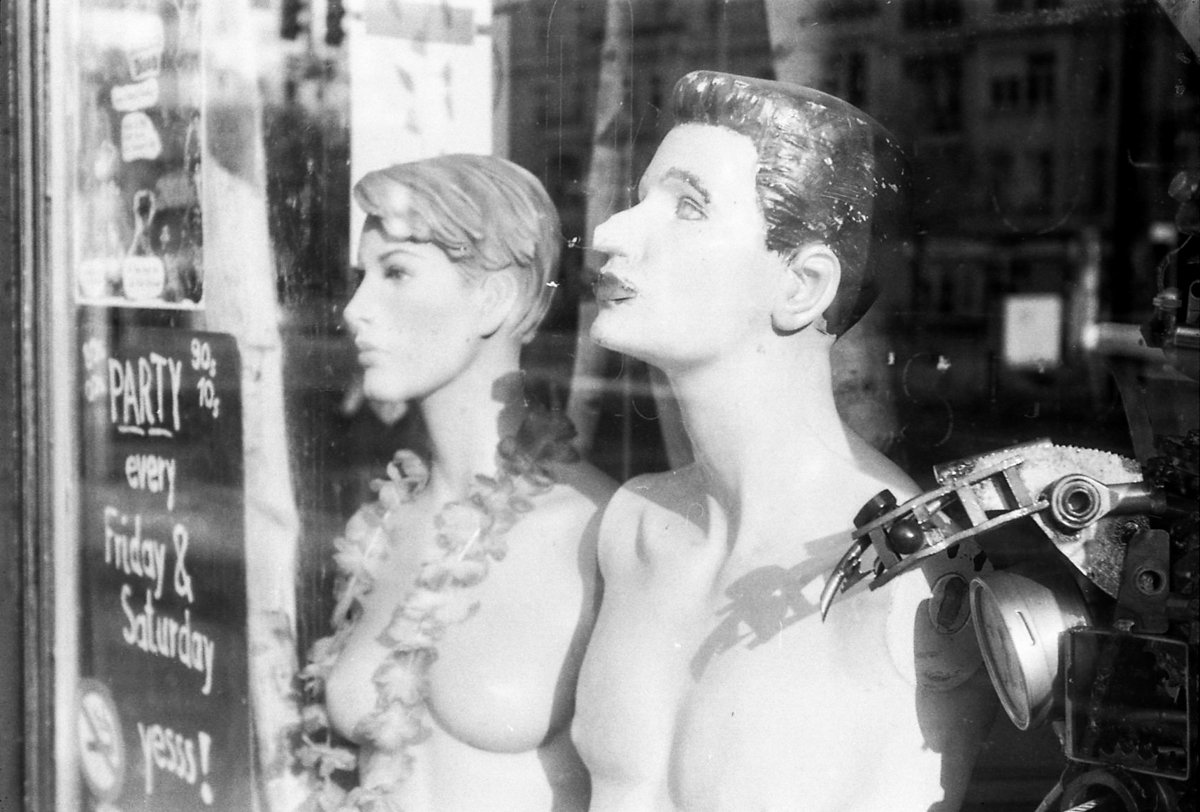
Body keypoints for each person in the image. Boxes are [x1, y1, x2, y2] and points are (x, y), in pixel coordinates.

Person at [572, 71, 996, 811]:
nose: (610, 233)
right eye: (641, 199)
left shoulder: (902, 577)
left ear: (800, 286)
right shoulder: (635, 529)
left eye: (689, 207)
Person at [298, 154, 614, 811]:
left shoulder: (599, 529)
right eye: (362, 277)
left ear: (492, 298)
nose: (356, 310)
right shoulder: (385, 522)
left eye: (397, 274)